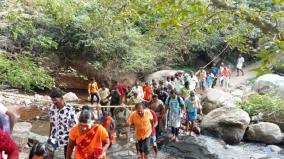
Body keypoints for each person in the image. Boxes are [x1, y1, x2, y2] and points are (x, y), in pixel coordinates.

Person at [48, 88, 76, 159]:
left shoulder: (70, 109)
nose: (54, 102)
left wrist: (75, 139)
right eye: (52, 100)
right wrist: (49, 137)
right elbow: (51, 123)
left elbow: (74, 125)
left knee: (67, 156)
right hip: (55, 136)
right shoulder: (52, 108)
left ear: (61, 98)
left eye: (55, 100)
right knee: (48, 152)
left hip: (67, 137)